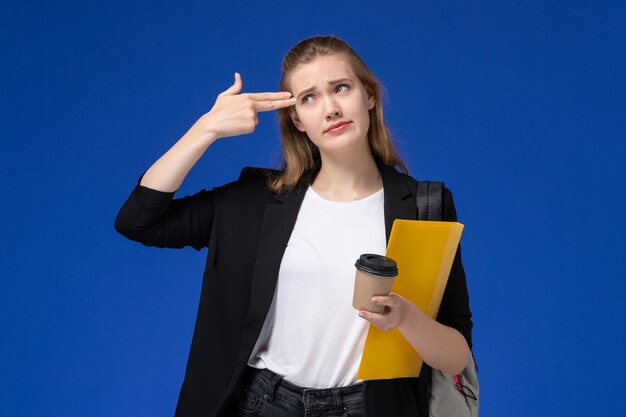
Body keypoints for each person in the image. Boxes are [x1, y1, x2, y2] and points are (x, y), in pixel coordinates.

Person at [115, 35, 473, 417]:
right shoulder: (255, 199)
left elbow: (455, 357)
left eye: (341, 88)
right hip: (262, 404)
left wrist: (405, 318)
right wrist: (206, 129)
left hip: (370, 407)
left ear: (368, 95)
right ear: (297, 121)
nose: (331, 109)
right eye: (309, 98)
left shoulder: (423, 205)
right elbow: (139, 221)